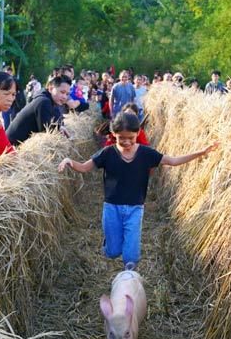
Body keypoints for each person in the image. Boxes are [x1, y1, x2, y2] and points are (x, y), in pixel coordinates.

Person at [58, 112, 217, 271]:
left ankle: (129, 275)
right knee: (113, 252)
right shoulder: (107, 153)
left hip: (135, 208)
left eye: (131, 138)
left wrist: (201, 152)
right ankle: (109, 245)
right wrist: (69, 161)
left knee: (131, 255)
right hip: (112, 207)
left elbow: (173, 161)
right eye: (122, 138)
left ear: (138, 133)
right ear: (114, 134)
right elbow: (85, 167)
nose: (126, 142)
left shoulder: (146, 153)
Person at [7, 74, 72, 145]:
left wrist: (60, 127)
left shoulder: (50, 101)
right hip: (11, 147)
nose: (65, 97)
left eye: (67, 94)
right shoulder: (44, 101)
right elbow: (46, 131)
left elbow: (56, 121)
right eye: (62, 92)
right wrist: (59, 128)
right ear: (50, 88)